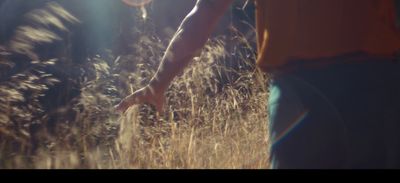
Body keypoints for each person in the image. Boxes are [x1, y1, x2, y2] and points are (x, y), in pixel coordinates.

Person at [116, 0, 400, 169]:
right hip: (362, 79)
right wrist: (158, 83)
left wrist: (158, 84)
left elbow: (203, 15)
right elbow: (203, 14)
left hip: (311, 86)